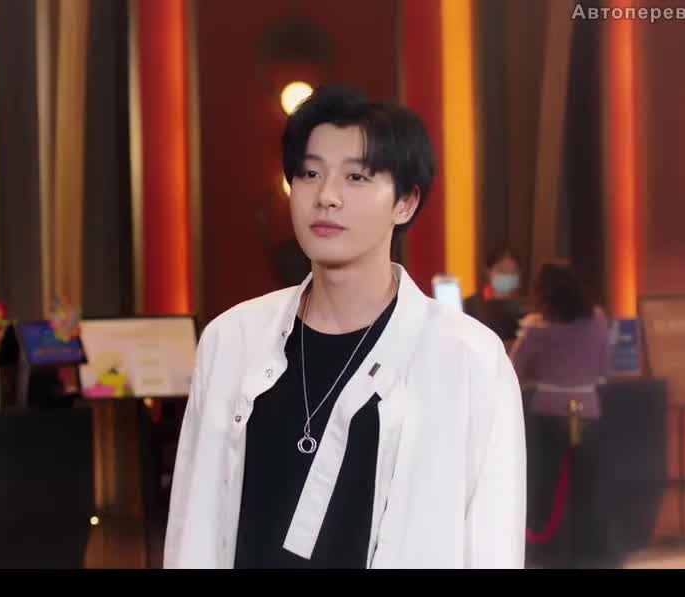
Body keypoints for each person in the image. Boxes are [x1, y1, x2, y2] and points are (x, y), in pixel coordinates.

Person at [164, 85, 526, 569]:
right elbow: (192, 521)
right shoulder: (232, 339)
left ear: (405, 203)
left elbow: (492, 541)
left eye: (357, 177)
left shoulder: (467, 357)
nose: (327, 197)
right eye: (310, 174)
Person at [508, 260, 610, 567]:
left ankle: (549, 551)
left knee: (549, 487)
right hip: (588, 410)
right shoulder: (598, 320)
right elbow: (603, 369)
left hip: (548, 414)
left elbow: (513, 370)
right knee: (586, 486)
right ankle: (589, 551)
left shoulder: (536, 328)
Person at [464, 246, 528, 346]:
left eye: (513, 271)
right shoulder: (470, 306)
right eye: (502, 270)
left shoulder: (524, 309)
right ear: (488, 271)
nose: (507, 275)